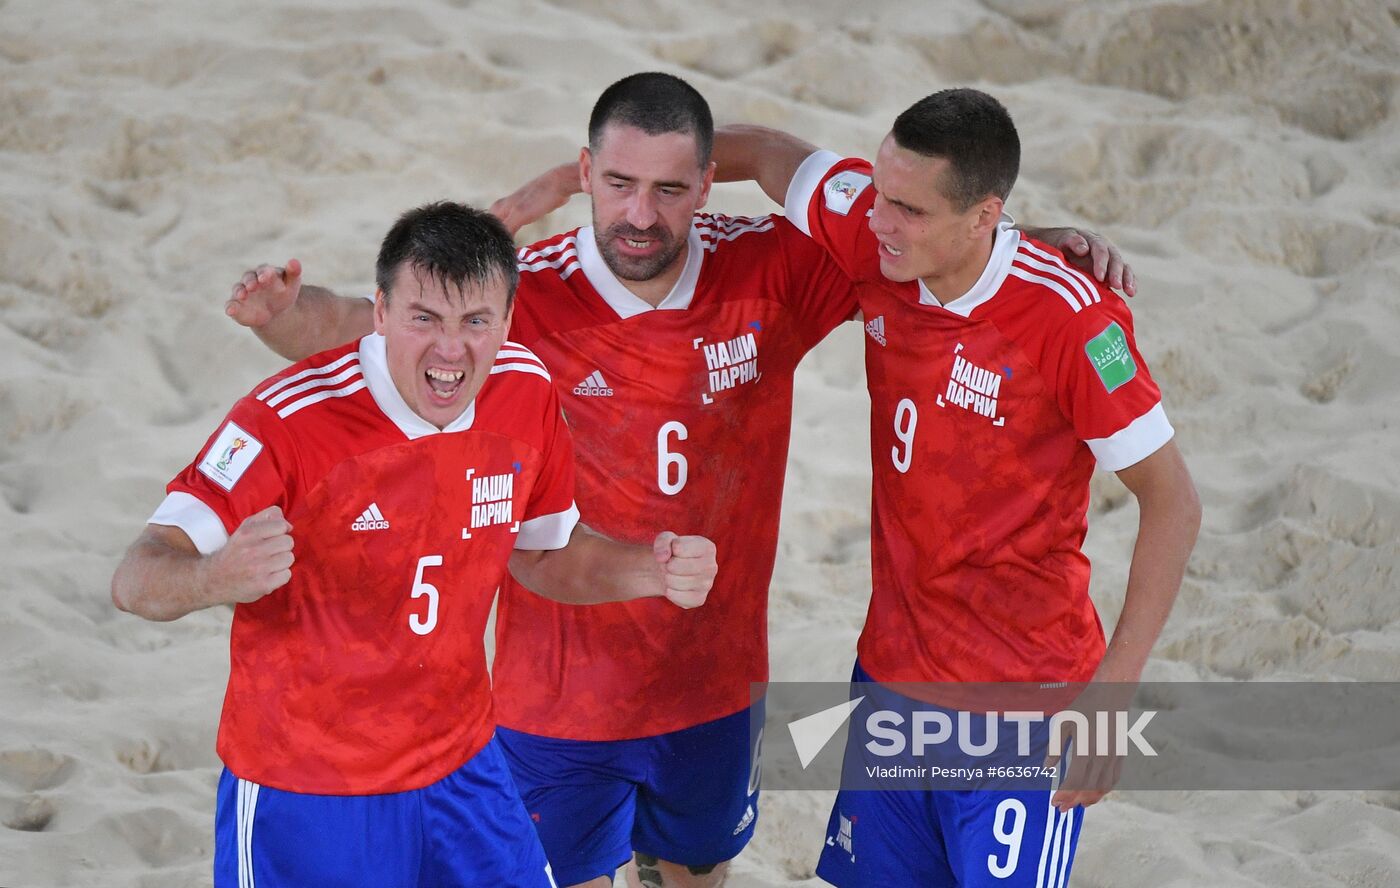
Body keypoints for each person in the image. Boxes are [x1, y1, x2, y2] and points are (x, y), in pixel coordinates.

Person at [224, 73, 1131, 888]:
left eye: (668, 188)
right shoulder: (527, 296)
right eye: (617, 184)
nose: (640, 215)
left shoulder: (771, 269)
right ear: (586, 175)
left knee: (697, 879)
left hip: (714, 688)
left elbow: (913, 251)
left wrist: (1030, 244)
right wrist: (280, 312)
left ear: (705, 185)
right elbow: (365, 327)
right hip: (557, 700)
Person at [110, 201, 717, 888]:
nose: (450, 351)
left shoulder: (524, 393)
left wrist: (651, 568)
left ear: (509, 321)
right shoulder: (284, 423)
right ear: (380, 312)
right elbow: (135, 577)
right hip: (308, 790)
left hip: (464, 771)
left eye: (475, 322)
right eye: (423, 318)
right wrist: (215, 576)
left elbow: (545, 555)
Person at [712, 90, 1202, 886]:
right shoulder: (879, 237)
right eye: (879, 193)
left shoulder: (1073, 319)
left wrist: (1113, 695)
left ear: (984, 217)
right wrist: (640, 186)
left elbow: (1173, 504)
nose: (880, 222)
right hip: (892, 680)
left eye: (908, 209)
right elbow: (766, 153)